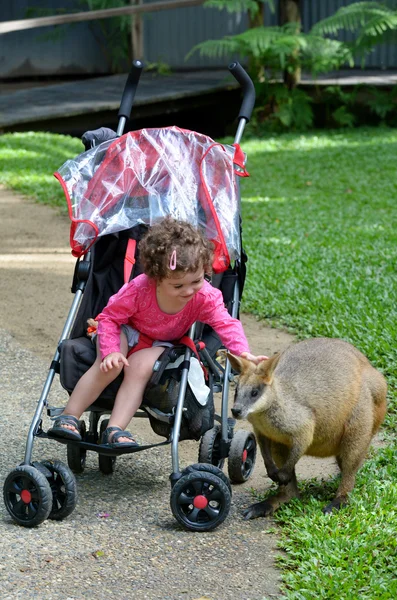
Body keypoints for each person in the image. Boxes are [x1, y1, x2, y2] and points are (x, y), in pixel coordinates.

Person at [48, 218, 267, 448]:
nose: (189, 290)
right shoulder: (140, 289)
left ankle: (115, 429)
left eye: (197, 281)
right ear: (156, 278)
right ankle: (69, 416)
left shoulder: (205, 296)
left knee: (140, 369)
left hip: (160, 343)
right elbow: (111, 319)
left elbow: (226, 324)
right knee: (109, 364)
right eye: (178, 286)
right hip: (124, 330)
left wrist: (243, 352)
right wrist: (111, 351)